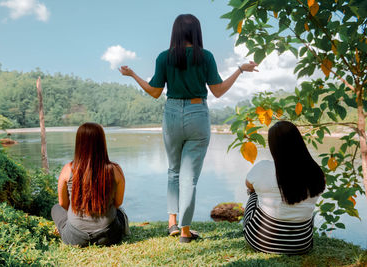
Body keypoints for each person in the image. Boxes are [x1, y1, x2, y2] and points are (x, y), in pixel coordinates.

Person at [119, 14, 258, 243]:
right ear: (197, 32)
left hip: (172, 113)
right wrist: (240, 70)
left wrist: (133, 74)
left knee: (173, 171)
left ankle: (172, 222)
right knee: (189, 178)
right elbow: (218, 91)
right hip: (197, 113)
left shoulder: (164, 57)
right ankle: (185, 232)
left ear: (174, 32)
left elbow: (155, 92)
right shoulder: (206, 57)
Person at [243, 121, 326, 254]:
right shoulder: (316, 171)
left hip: (261, 241)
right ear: (299, 141)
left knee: (253, 193)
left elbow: (248, 184)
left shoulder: (263, 167)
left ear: (273, 145)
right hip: (302, 243)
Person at [51, 122, 129, 247]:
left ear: (79, 142)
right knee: (120, 213)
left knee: (56, 208)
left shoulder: (68, 169)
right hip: (109, 236)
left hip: (76, 238)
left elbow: (63, 204)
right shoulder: (115, 169)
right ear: (102, 142)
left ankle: (65, 228)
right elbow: (118, 203)